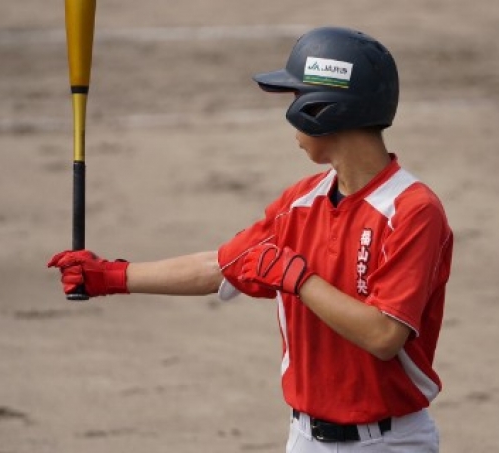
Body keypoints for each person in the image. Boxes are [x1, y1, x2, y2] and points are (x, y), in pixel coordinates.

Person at [48, 26, 453, 452]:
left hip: (388, 443)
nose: (290, 115)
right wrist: (110, 276)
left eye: (296, 97)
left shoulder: (412, 210)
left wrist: (302, 282)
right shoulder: (300, 203)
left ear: (323, 109)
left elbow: (384, 335)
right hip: (305, 438)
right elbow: (220, 267)